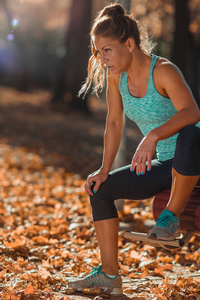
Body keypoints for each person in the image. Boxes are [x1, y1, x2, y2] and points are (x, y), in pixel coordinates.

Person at [68, 3, 200, 295]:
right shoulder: (118, 78)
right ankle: (109, 274)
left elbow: (191, 112)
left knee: (190, 134)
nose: (101, 59)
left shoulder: (164, 71)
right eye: (97, 51)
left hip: (196, 156)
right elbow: (114, 122)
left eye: (107, 50)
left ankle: (171, 218)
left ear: (129, 44)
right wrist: (103, 170)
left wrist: (152, 135)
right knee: (99, 189)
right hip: (170, 165)